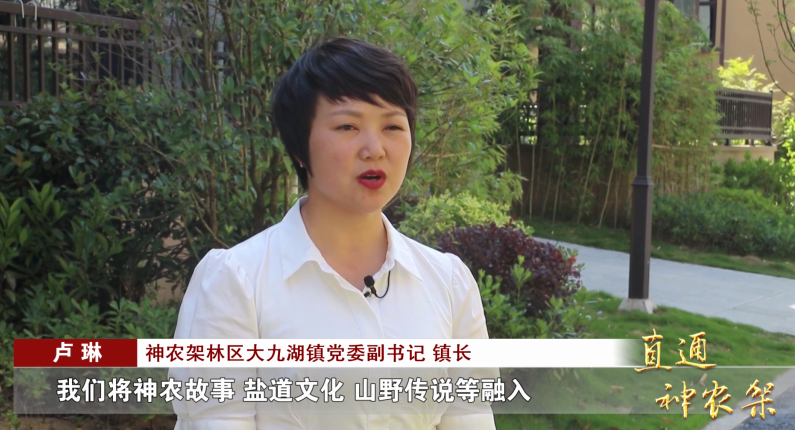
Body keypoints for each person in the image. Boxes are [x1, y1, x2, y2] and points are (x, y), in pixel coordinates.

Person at [169, 36, 497, 429]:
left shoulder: (449, 284)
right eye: (347, 126)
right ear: (299, 148)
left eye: (393, 126)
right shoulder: (237, 282)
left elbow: (471, 418)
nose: (374, 148)